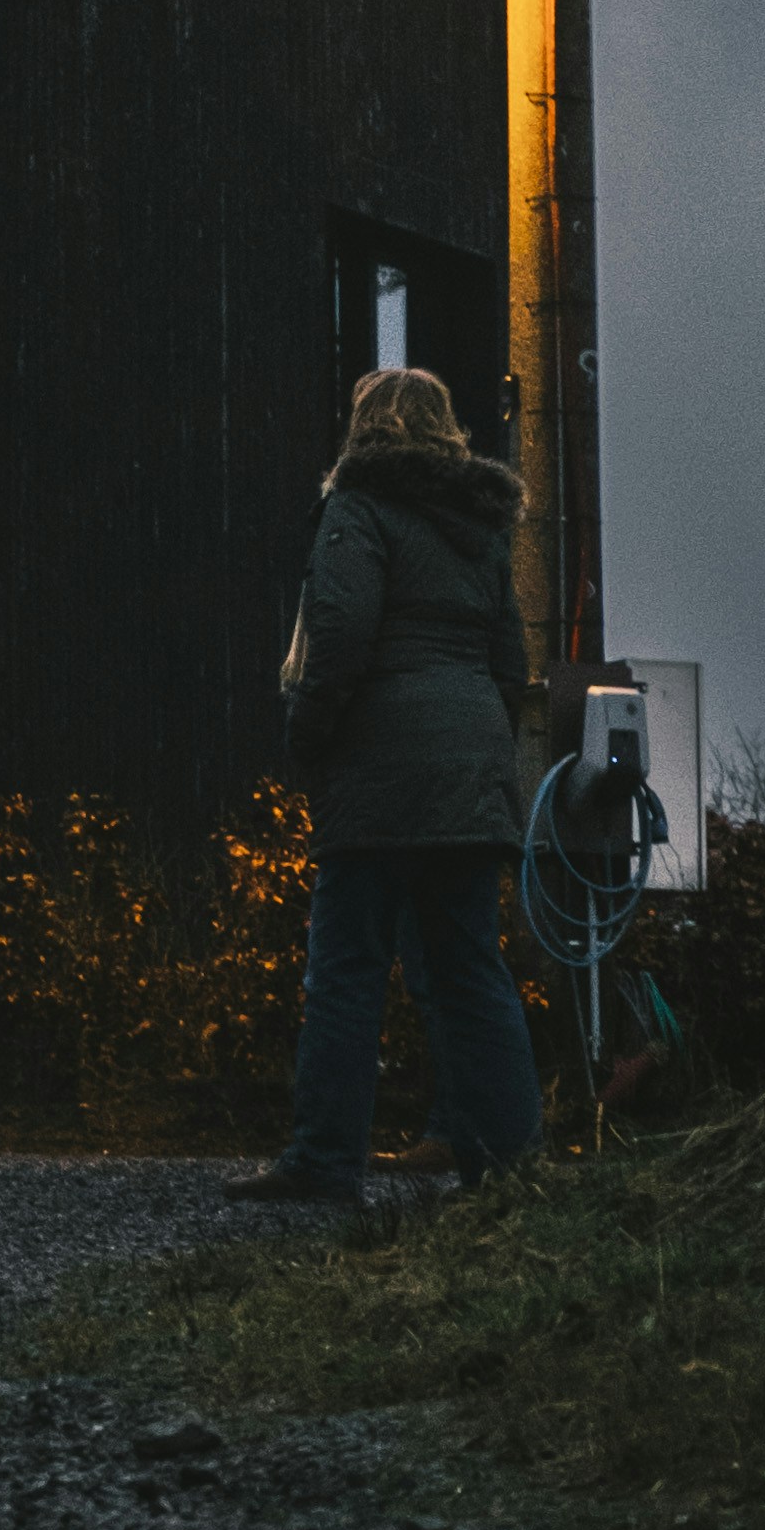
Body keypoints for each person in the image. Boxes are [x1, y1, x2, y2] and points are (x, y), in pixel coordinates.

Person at [234, 363, 544, 1209]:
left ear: (365, 426)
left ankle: (323, 1162)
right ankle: (511, 1170)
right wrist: (483, 757)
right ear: (444, 427)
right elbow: (509, 662)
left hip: (377, 779)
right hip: (468, 779)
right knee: (471, 972)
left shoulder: (356, 507)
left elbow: (335, 634)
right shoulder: (481, 529)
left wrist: (308, 735)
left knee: (345, 971)